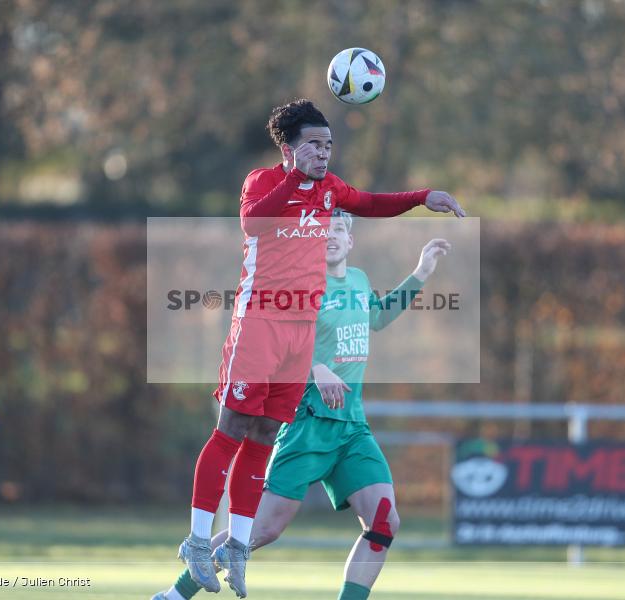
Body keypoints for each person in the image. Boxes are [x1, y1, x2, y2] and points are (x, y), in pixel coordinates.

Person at [174, 99, 465, 598]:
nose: (323, 153)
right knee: (234, 430)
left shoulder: (333, 201)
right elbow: (253, 224)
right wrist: (294, 179)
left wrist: (422, 197)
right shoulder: (264, 182)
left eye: (328, 145)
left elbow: (372, 203)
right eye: (313, 144)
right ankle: (199, 547)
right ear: (288, 149)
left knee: (266, 436)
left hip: (308, 347)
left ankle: (235, 548)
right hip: (263, 322)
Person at [156, 211, 450, 600]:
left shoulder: (358, 280)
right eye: (323, 231)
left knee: (384, 521)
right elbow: (274, 346)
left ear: (350, 241)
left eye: (340, 230)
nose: (331, 236)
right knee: (261, 531)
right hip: (306, 421)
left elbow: (376, 318)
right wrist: (317, 369)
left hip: (352, 427)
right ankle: (176, 595)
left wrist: (421, 273)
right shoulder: (299, 286)